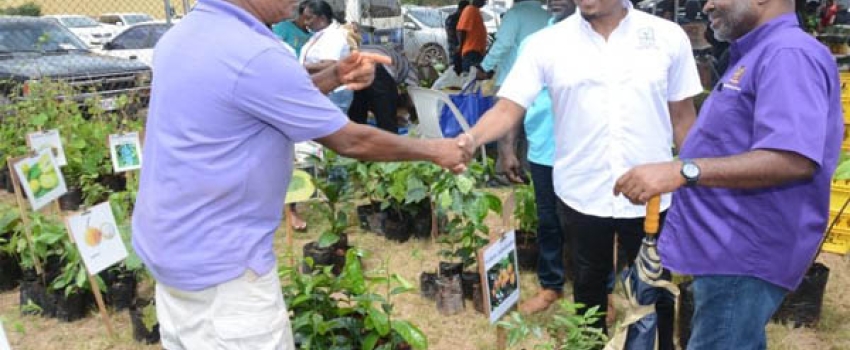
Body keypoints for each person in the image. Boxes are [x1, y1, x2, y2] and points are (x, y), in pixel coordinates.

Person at [131, 0, 470, 347]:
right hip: (225, 275)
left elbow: (263, 95)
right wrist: (435, 150)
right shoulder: (254, 53)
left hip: (173, 252)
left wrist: (335, 75)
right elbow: (350, 140)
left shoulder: (186, 33)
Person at [456, 0, 702, 346]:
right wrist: (471, 138)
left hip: (651, 196)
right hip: (582, 196)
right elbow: (509, 105)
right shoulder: (546, 44)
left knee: (655, 290)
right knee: (587, 289)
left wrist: (698, 175)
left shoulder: (667, 37)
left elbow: (682, 118)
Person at [613, 0, 842, 348]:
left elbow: (793, 157)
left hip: (743, 255)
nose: (706, 5)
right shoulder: (760, 51)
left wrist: (682, 170)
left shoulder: (788, 54)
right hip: (729, 248)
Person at [512, 0, 576, 315]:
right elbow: (514, 98)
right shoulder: (534, 44)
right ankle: (551, 285)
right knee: (549, 222)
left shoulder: (601, 44)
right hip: (544, 149)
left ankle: (601, 289)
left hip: (587, 152)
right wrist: (508, 148)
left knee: (596, 222)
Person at [476, 0, 549, 87]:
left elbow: (503, 44)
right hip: (541, 81)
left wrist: (485, 67)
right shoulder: (548, 16)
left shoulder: (514, 13)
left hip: (513, 81)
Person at [348, 44, 418, 134]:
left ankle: (356, 141)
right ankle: (391, 145)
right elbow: (413, 95)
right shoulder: (409, 69)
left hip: (355, 63)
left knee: (358, 112)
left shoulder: (393, 54)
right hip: (377, 66)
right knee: (387, 121)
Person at [300, 0, 354, 113]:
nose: (305, 22)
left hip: (333, 93)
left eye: (309, 18)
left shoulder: (333, 36)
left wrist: (302, 66)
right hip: (322, 89)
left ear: (322, 18)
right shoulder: (319, 34)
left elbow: (330, 64)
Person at [456, 0, 488, 73]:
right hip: (471, 52)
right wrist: (460, 47)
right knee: (470, 79)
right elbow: (461, 30)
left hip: (477, 52)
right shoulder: (470, 10)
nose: (484, 2)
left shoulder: (475, 10)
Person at [446, 0, 471, 75]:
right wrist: (459, 45)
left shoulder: (456, 17)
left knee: (458, 70)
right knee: (455, 70)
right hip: (456, 48)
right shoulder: (454, 18)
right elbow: (451, 33)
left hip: (460, 48)